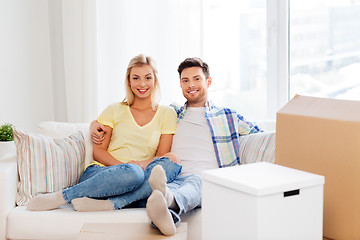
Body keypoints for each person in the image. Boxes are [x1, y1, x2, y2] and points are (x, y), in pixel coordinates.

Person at [91, 57, 262, 235]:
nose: (191, 85)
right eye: (185, 80)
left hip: (208, 179)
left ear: (208, 81)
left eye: (197, 79)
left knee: (195, 181)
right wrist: (94, 124)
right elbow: (129, 117)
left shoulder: (227, 115)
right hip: (172, 178)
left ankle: (169, 202)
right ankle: (166, 212)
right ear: (180, 85)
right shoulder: (173, 113)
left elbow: (261, 135)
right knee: (157, 194)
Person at [27, 54, 182, 213]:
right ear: (128, 80)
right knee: (133, 174)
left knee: (172, 162)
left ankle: (112, 203)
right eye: (136, 78)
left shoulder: (167, 113)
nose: (142, 83)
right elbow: (98, 152)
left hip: (141, 174)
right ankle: (63, 196)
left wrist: (141, 165)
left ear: (155, 79)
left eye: (148, 77)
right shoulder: (114, 109)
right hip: (103, 174)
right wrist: (127, 168)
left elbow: (161, 158)